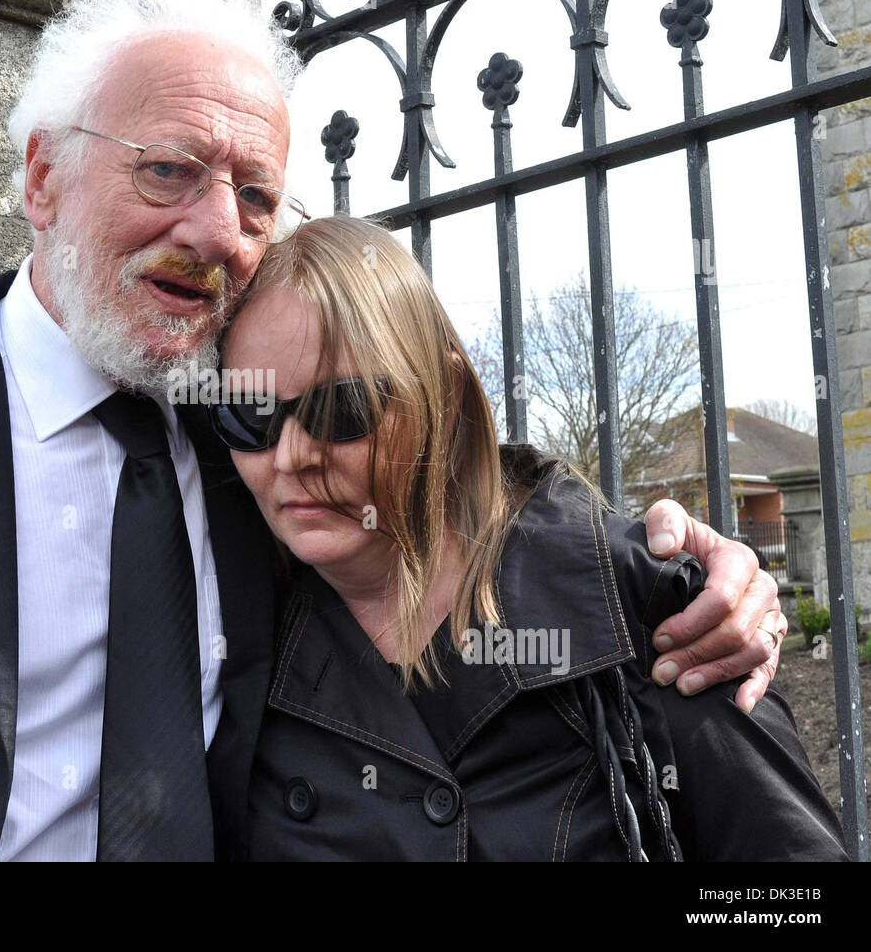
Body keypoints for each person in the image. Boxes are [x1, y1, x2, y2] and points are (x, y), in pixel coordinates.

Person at [0, 0, 785, 862]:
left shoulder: (253, 448)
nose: (219, 230)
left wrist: (686, 566)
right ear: (40, 178)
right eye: (169, 168)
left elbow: (435, 482)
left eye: (256, 196)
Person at [212, 215, 845, 860]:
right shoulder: (239, 648)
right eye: (249, 414)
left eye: (338, 410)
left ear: (446, 397)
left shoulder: (628, 603)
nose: (291, 456)